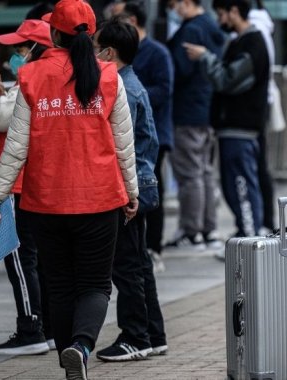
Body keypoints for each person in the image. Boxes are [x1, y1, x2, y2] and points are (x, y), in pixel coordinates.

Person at [0, 0, 138, 378]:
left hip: (44, 202)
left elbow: (17, 142)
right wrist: (132, 191)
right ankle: (81, 347)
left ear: (54, 34)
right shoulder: (108, 76)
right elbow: (124, 142)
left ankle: (70, 355)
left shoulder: (32, 76)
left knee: (60, 284)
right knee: (96, 284)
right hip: (100, 199)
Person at [0, 19, 54, 356]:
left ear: (37, 50)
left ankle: (30, 328)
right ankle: (44, 326)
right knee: (33, 259)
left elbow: (0, 118)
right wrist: (3, 92)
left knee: (19, 259)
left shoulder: (34, 81)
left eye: (21, 49)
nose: (15, 56)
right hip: (27, 182)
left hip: (15, 183)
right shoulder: (38, 82)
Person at [93, 19, 168, 361]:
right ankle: (153, 334)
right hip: (140, 184)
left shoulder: (121, 88)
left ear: (109, 53)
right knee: (138, 265)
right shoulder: (132, 84)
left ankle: (135, 336)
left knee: (126, 266)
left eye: (95, 48)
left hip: (128, 188)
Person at [184, 0, 269, 244]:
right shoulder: (242, 41)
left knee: (241, 186)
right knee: (235, 186)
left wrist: (205, 57)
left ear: (234, 11)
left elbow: (227, 79)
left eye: (221, 13)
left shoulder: (253, 43)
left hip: (241, 129)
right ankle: (246, 234)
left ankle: (250, 238)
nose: (219, 19)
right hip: (233, 129)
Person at [114, 1, 175, 272]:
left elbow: (165, 88)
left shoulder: (157, 53)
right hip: (136, 132)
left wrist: (136, 100)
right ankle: (142, 249)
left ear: (133, 20)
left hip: (152, 134)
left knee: (150, 187)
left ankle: (154, 246)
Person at [166, 0, 226, 250]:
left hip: (187, 109)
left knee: (190, 173)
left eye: (173, 4)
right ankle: (207, 229)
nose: (172, 9)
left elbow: (179, 69)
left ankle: (193, 231)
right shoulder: (212, 26)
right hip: (205, 107)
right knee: (203, 172)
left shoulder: (191, 30)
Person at [249, 0, 276, 234]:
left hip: (257, 106)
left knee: (258, 166)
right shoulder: (263, 27)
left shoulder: (256, 30)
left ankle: (265, 221)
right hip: (262, 104)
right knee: (259, 165)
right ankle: (265, 220)